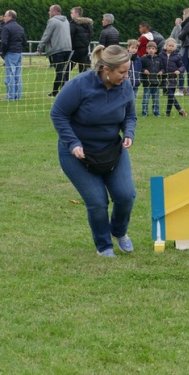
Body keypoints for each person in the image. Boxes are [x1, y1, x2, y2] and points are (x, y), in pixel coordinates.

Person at [50, 44, 137, 258]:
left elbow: (130, 116)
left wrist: (129, 133)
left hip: (111, 150)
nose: (126, 77)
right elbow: (58, 114)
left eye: (128, 71)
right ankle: (104, 246)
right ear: (106, 69)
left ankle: (119, 231)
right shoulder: (80, 85)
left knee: (126, 195)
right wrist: (73, 143)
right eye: (122, 72)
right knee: (98, 202)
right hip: (78, 154)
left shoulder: (124, 86)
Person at [37, 4, 72, 97]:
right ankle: (60, 91)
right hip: (68, 49)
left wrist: (40, 47)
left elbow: (46, 35)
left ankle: (60, 92)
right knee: (64, 72)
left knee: (59, 71)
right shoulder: (66, 21)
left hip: (57, 50)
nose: (49, 12)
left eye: (50, 10)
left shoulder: (52, 21)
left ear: (55, 11)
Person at [1, 10, 27, 101]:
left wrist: (2, 53)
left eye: (5, 16)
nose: (4, 17)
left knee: (10, 75)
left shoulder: (6, 27)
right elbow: (25, 42)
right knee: (18, 75)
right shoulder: (20, 28)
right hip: (18, 53)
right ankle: (18, 96)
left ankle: (11, 96)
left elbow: (4, 42)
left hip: (10, 53)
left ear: (10, 16)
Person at [159, 38, 187, 117]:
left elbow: (182, 66)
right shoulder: (161, 55)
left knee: (170, 96)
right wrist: (161, 71)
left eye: (172, 46)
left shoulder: (177, 56)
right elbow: (160, 66)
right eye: (169, 45)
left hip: (173, 79)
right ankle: (180, 110)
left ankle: (167, 113)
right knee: (170, 94)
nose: (170, 47)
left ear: (174, 47)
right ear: (166, 46)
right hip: (164, 78)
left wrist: (179, 70)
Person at [140, 41, 162, 117]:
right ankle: (144, 113)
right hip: (147, 83)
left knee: (156, 99)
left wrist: (161, 71)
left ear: (156, 50)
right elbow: (140, 68)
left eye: (153, 48)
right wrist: (143, 70)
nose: (151, 50)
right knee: (146, 99)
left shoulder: (159, 59)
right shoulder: (143, 59)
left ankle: (156, 113)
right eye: (149, 48)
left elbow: (163, 68)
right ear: (146, 50)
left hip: (156, 82)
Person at [69, 6, 93, 73]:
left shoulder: (73, 24)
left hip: (75, 50)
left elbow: (70, 36)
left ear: (76, 14)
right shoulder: (88, 24)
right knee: (83, 71)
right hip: (85, 50)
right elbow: (90, 35)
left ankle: (64, 82)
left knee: (67, 69)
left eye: (72, 13)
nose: (71, 14)